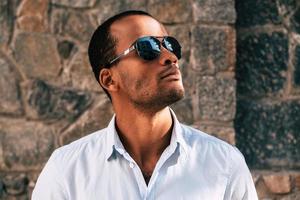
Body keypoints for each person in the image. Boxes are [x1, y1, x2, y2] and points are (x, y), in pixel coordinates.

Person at [32, 10, 258, 200]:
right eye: (147, 47)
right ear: (109, 79)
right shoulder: (66, 170)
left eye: (170, 44)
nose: (170, 57)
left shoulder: (225, 163)